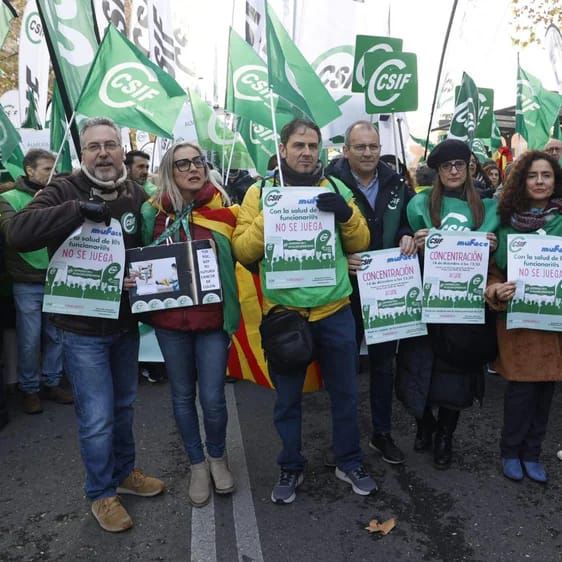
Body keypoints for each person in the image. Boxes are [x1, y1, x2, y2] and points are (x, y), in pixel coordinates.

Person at [7, 117, 165, 532]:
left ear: (120, 149)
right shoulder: (63, 188)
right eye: (93, 146)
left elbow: (143, 250)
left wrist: (137, 276)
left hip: (124, 324)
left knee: (125, 407)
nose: (103, 153)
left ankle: (125, 473)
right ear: (82, 153)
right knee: (96, 417)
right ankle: (101, 492)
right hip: (79, 330)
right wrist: (75, 210)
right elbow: (18, 234)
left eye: (110, 145)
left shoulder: (134, 192)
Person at [233, 118, 377, 504]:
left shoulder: (335, 186)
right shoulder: (260, 192)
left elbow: (362, 239)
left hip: (335, 310)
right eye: (299, 145)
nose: (307, 152)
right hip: (285, 316)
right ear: (282, 149)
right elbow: (243, 251)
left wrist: (345, 216)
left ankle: (348, 461)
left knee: (346, 394)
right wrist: (272, 213)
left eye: (313, 146)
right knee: (288, 400)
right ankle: (290, 465)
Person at [138, 142, 240, 507]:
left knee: (213, 398)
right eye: (183, 164)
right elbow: (136, 259)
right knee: (182, 396)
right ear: (170, 170)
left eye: (198, 161)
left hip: (212, 322)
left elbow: (244, 254)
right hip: (169, 323)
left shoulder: (224, 212)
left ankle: (217, 457)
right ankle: (197, 464)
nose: (193, 169)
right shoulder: (152, 215)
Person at [396, 139, 499, 469]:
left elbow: (497, 252)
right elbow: (402, 232)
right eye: (446, 166)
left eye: (459, 165)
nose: (453, 171)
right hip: (427, 301)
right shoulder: (420, 204)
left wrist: (494, 246)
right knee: (420, 370)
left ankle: (446, 435)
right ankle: (425, 423)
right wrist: (410, 238)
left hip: (466, 306)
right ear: (437, 172)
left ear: (469, 167)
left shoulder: (487, 207)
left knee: (457, 375)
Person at [326, 120, 414, 465]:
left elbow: (408, 220)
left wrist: (408, 234)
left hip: (386, 286)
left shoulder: (396, 184)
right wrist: (339, 257)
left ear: (380, 149)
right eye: (359, 147)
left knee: (383, 366)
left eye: (373, 147)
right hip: (347, 289)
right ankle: (343, 441)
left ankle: (382, 434)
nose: (367, 153)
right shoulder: (331, 184)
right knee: (344, 368)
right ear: (345, 150)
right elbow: (320, 234)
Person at [485, 150, 562, 483]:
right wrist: (495, 289)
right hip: (516, 319)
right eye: (533, 175)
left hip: (554, 322)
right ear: (521, 180)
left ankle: (533, 452)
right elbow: (491, 270)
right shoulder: (503, 219)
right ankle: (510, 451)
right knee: (520, 391)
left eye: (547, 175)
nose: (540, 181)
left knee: (546, 389)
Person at [0, 149, 72, 414]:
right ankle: (29, 389)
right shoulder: (8, 198)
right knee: (29, 340)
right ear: (29, 170)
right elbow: (11, 233)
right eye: (46, 169)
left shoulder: (60, 196)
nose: (51, 173)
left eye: (54, 168)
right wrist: (37, 207)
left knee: (57, 335)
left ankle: (51, 383)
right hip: (26, 281)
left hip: (56, 276)